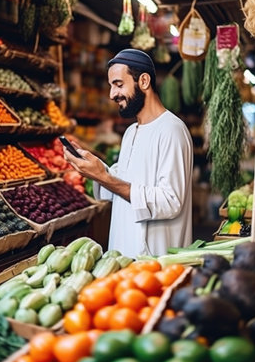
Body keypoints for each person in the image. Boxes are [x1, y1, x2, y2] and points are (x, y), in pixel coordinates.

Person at [63, 48, 193, 258]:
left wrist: (103, 176)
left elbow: (170, 201)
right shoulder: (131, 132)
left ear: (143, 81)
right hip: (123, 256)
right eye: (111, 86)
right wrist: (95, 168)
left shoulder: (172, 130)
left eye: (118, 85)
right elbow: (122, 182)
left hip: (155, 263)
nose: (112, 95)